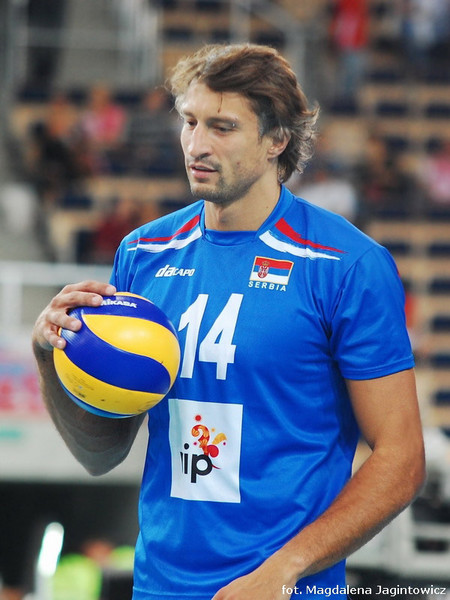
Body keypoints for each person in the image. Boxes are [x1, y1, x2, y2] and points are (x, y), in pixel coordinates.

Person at [32, 44, 425, 600]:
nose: (197, 144)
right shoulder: (142, 254)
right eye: (190, 122)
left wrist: (284, 570)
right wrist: (49, 355)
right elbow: (102, 454)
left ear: (276, 140)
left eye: (223, 127)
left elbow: (402, 461)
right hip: (159, 587)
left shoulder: (347, 264)